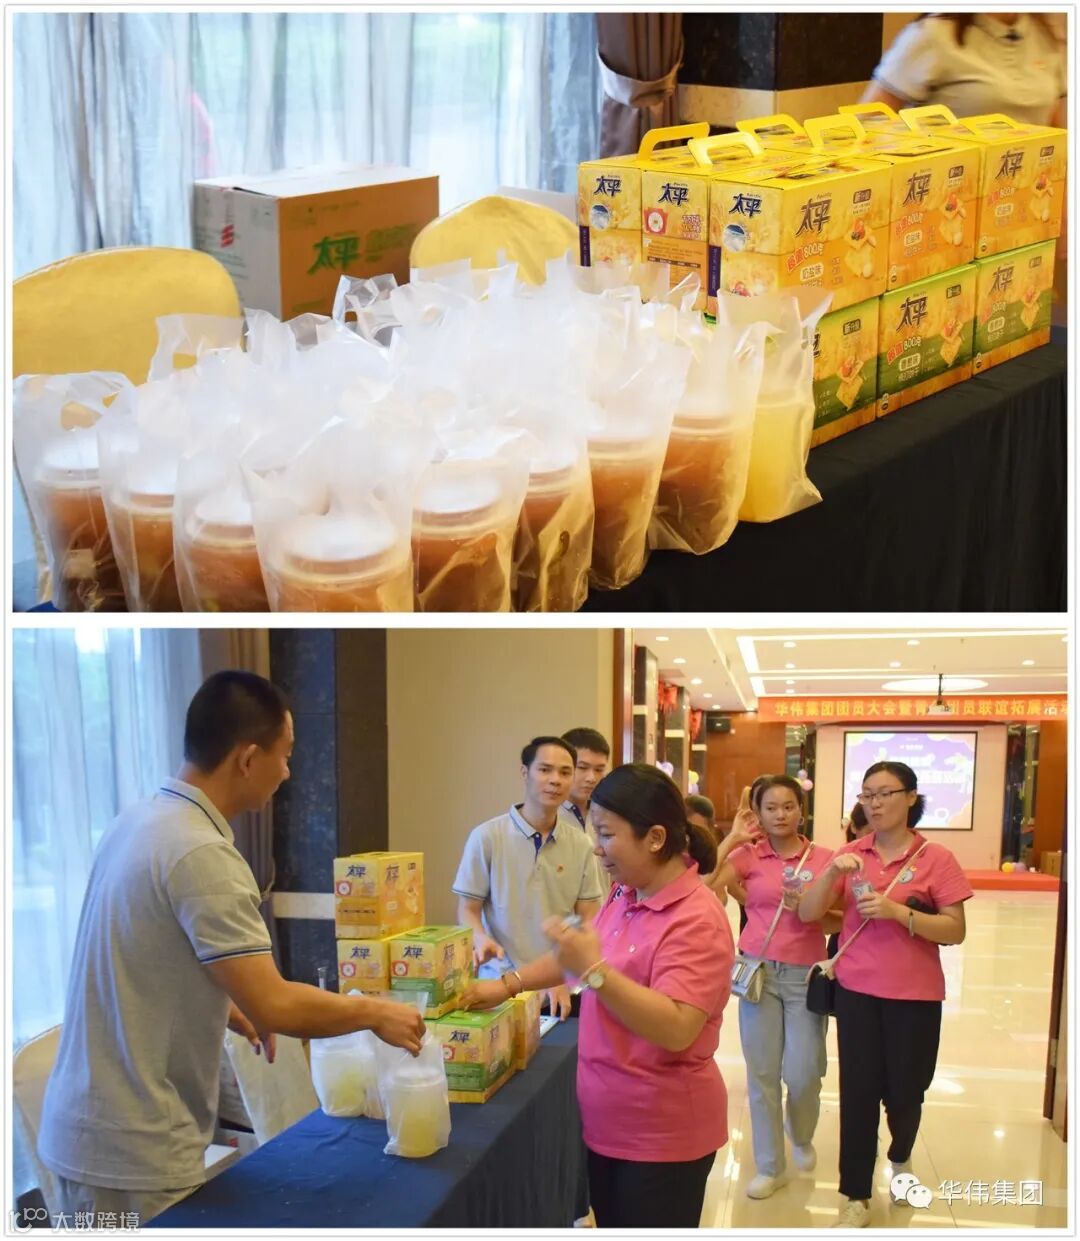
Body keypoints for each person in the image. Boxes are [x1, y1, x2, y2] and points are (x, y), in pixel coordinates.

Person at [38, 671, 425, 1225]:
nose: (287, 772)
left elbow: (146, 956)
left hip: (84, 1132)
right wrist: (375, 1013)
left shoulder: (139, 821)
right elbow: (278, 1004)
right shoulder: (203, 854)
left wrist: (226, 1006)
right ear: (248, 758)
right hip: (133, 1152)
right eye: (285, 755)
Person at [462, 764, 733, 1228]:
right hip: (609, 1122)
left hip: (661, 1135)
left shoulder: (696, 918)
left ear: (655, 838)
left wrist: (595, 971)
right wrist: (507, 985)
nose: (596, 847)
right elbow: (579, 954)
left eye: (607, 834)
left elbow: (677, 1027)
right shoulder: (626, 893)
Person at [799, 761, 973, 1229]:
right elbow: (809, 913)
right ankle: (855, 1194)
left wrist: (898, 912)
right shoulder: (851, 853)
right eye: (867, 795)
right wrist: (829, 873)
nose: (874, 804)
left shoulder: (936, 858)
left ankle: (900, 1156)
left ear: (911, 797)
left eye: (885, 793)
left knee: (906, 1092)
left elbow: (955, 930)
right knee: (857, 1093)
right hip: (857, 991)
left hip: (915, 997)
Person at [708, 775, 839, 1200]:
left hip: (804, 977)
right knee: (762, 1073)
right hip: (758, 974)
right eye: (770, 808)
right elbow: (705, 886)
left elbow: (843, 917)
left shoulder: (824, 859)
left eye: (788, 806)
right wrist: (732, 838)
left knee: (805, 1072)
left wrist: (811, 910)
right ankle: (770, 1166)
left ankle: (800, 1133)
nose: (780, 814)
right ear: (758, 814)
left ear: (801, 810)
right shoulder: (749, 854)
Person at [453, 736, 602, 1020]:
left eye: (565, 772)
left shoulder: (582, 844)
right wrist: (479, 937)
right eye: (544, 770)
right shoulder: (487, 837)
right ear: (525, 772)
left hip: (561, 992)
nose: (555, 780)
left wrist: (563, 972)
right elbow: (467, 909)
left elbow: (588, 919)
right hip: (499, 988)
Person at [863, 14, 1067, 127]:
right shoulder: (933, 34)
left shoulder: (1047, 35)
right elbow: (867, 122)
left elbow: (1059, 128)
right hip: (951, 183)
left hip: (1031, 184)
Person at [560, 726, 611, 838]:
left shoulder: (610, 813)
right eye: (582, 767)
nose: (591, 778)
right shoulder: (546, 816)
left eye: (599, 770)